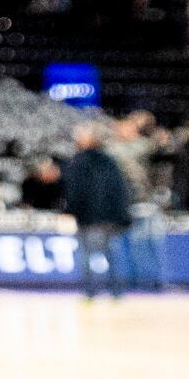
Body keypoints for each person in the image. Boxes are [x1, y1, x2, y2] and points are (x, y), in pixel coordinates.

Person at [61, 120, 136, 298]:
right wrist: (122, 216)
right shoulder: (111, 161)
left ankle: (89, 294)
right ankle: (116, 293)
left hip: (89, 218)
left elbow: (74, 191)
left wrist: (69, 211)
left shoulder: (78, 162)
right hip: (111, 219)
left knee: (87, 255)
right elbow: (122, 189)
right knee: (112, 255)